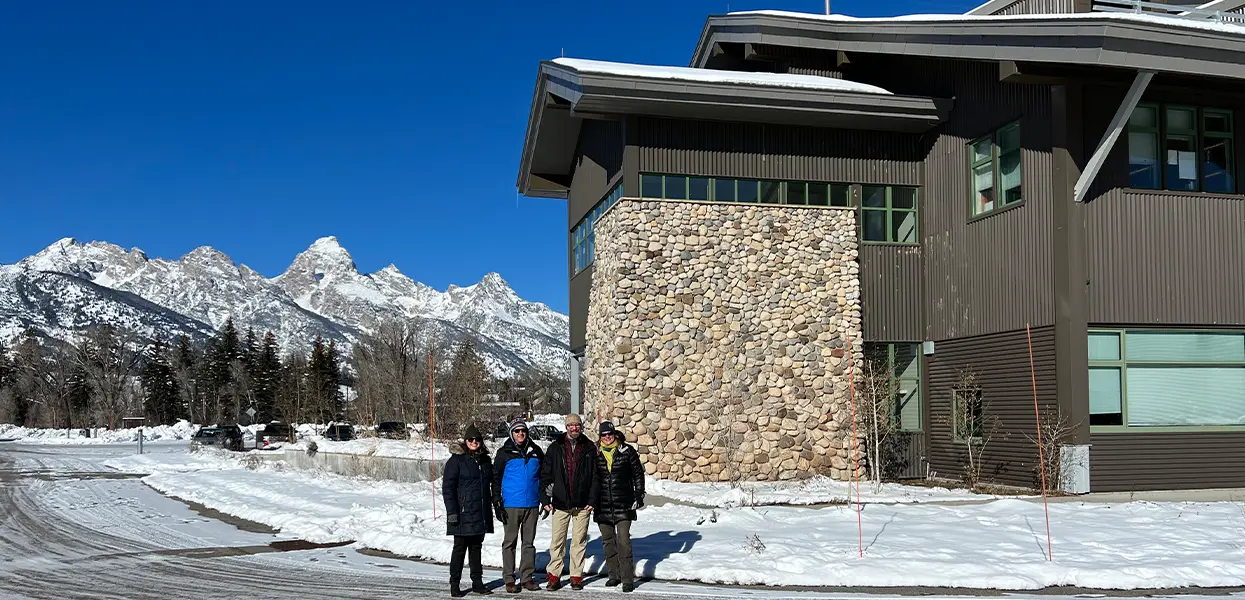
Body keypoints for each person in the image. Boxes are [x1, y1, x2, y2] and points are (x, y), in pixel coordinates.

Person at [539, 414, 597, 591]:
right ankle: (554, 576)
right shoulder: (555, 448)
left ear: (581, 427)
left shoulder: (589, 447)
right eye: (571, 425)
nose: (574, 428)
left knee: (579, 541)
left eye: (577, 425)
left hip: (582, 504)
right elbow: (545, 474)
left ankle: (576, 576)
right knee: (558, 541)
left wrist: (592, 499)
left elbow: (595, 476)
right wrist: (545, 497)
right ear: (566, 427)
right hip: (560, 503)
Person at [590, 421, 645, 593]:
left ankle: (627, 578)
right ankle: (614, 575)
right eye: (604, 435)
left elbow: (637, 473)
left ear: (615, 434)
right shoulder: (595, 453)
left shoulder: (626, 451)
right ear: (600, 437)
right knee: (608, 542)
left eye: (610, 434)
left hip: (624, 504)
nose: (607, 438)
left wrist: (639, 493)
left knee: (623, 542)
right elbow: (590, 478)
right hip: (602, 504)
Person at [492, 417, 544, 593]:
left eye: (523, 430)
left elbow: (544, 477)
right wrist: (497, 503)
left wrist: (544, 498)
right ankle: (509, 578)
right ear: (511, 433)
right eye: (517, 431)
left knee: (528, 543)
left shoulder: (536, 451)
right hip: (511, 505)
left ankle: (527, 577)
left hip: (531, 504)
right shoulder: (503, 453)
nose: (521, 433)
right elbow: (496, 479)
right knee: (510, 543)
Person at [443, 424, 495, 597]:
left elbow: (490, 485)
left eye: (477, 440)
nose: (474, 442)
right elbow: (448, 488)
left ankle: (477, 582)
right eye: (471, 439)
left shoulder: (485, 461)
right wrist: (452, 512)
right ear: (466, 441)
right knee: (459, 548)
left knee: (476, 548)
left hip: (480, 512)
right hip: (462, 512)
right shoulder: (456, 461)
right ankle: (454, 583)